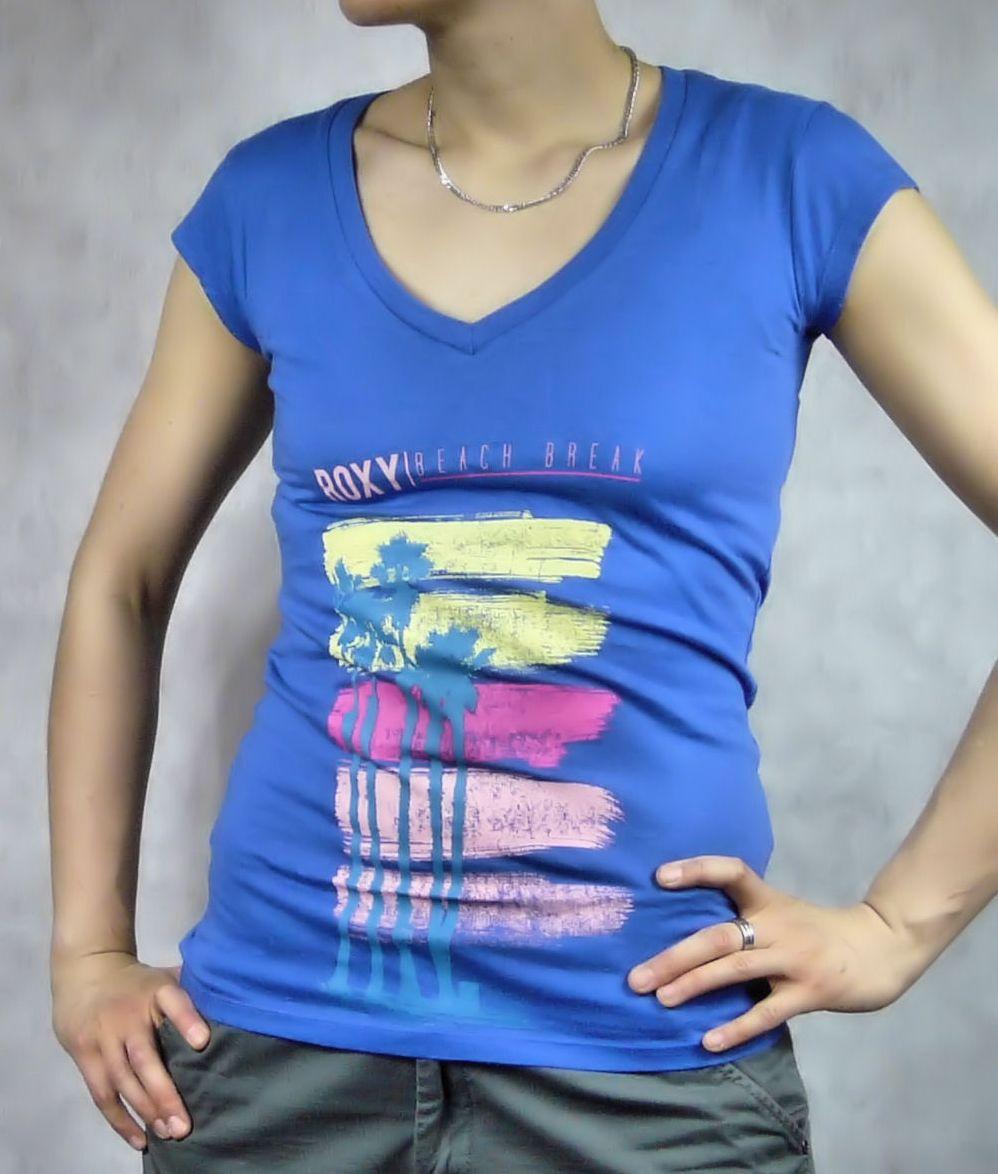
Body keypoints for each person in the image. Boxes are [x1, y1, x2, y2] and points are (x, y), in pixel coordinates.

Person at [47, 1, 997, 1171]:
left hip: (642, 1076)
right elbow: (123, 577)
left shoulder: (787, 178)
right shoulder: (269, 200)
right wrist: (87, 952)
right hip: (274, 1065)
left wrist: (896, 926)